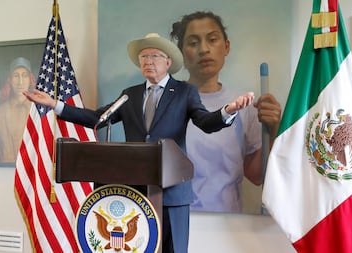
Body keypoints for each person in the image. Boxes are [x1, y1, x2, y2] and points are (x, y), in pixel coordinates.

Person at [23, 33, 255, 253]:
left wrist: (228, 110)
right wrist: (56, 105)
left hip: (172, 193)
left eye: (154, 56)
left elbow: (205, 122)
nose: (148, 61)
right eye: (143, 57)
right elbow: (97, 119)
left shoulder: (185, 92)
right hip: (135, 195)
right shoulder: (130, 94)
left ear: (168, 62)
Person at [170, 11, 282, 213]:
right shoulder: (167, 103)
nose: (204, 49)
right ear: (181, 53)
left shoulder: (243, 106)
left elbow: (256, 175)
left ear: (226, 47)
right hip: (176, 222)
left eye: (212, 40)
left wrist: (274, 130)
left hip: (228, 226)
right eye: (193, 43)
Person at [0, 57, 36, 163]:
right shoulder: (1, 111)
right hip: (2, 171)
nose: (20, 82)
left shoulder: (37, 110)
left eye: (24, 75)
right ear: (10, 80)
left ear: (30, 79)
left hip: (32, 172)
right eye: (16, 76)